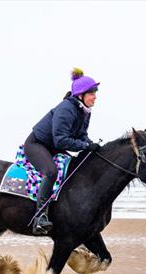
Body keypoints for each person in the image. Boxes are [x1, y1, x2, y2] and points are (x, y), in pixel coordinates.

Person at [24, 68, 101, 235]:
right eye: (92, 93)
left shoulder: (84, 111)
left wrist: (92, 145)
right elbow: (61, 140)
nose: (95, 96)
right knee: (51, 172)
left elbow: (81, 135)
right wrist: (85, 146)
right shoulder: (66, 109)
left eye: (95, 92)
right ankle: (40, 216)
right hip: (37, 145)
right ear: (80, 95)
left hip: (53, 147)